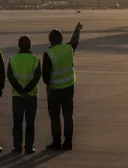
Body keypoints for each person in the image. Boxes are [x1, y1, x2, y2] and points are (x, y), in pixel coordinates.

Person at [42, 22, 83, 150]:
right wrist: (77, 30)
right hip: (68, 88)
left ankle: (56, 142)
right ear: (61, 40)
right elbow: (74, 41)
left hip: (54, 90)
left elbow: (46, 77)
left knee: (55, 118)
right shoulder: (68, 49)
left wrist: (48, 86)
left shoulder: (48, 54)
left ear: (50, 40)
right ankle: (68, 142)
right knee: (68, 116)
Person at [7, 35, 40, 153]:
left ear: (19, 46)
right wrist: (27, 90)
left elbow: (10, 77)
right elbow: (37, 77)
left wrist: (20, 90)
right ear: (30, 45)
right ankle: (29, 147)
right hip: (31, 95)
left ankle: (17, 146)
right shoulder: (35, 60)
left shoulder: (12, 59)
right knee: (30, 122)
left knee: (17, 122)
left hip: (17, 95)